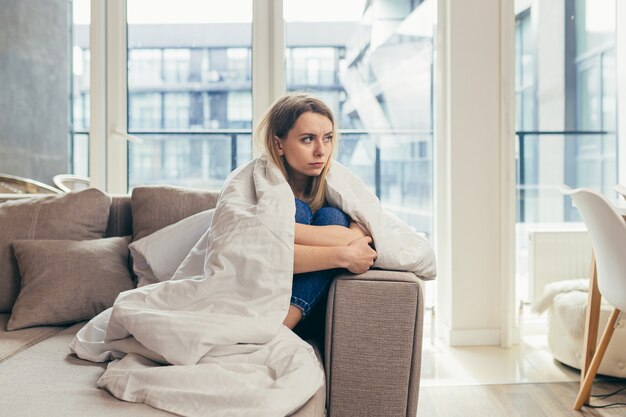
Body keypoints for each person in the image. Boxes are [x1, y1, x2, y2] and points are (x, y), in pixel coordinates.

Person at [255, 93, 378, 329]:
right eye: (308, 139)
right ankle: (279, 326)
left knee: (333, 216)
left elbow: (363, 236)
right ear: (279, 143)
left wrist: (284, 231)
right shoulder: (260, 188)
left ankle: (282, 326)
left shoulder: (341, 188)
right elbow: (263, 256)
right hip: (262, 302)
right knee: (297, 209)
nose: (321, 151)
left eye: (328, 138)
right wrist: (344, 253)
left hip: (313, 309)